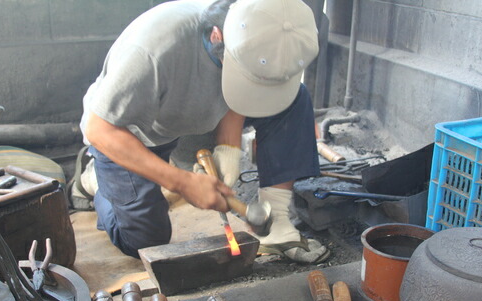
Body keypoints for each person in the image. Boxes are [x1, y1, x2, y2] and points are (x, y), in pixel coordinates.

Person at [79, 0, 330, 263]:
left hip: (198, 120)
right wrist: (182, 182)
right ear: (216, 35)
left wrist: (228, 148)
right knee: (145, 241)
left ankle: (276, 225)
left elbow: (245, 91)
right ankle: (94, 179)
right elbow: (100, 129)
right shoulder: (152, 51)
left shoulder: (262, 23)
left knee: (293, 100)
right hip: (135, 135)